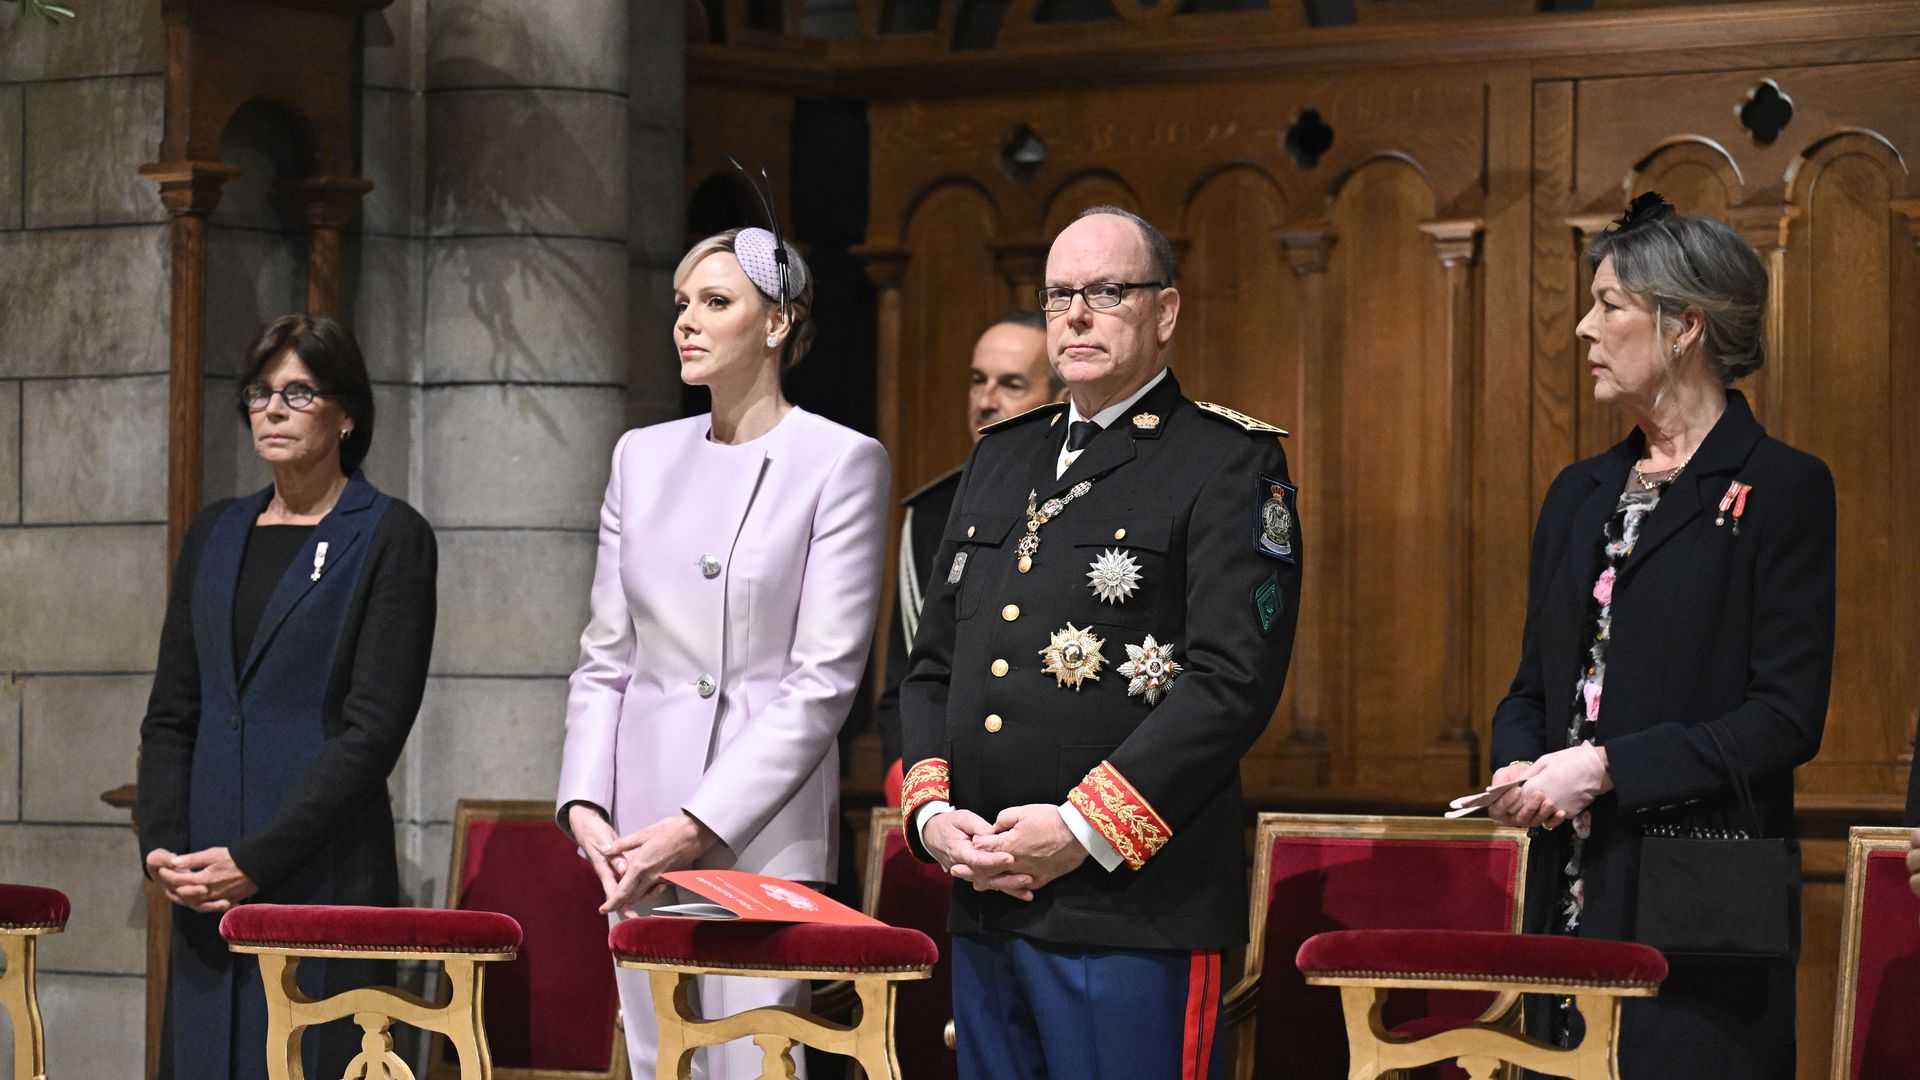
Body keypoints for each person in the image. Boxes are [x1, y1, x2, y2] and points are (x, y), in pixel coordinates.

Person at [898, 206, 1301, 1080]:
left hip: (1131, 909)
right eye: (1058, 295)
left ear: (1165, 312)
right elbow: (933, 668)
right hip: (986, 897)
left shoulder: (1226, 460)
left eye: (1106, 292)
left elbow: (1232, 681)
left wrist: (1082, 829)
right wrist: (933, 819)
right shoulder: (1000, 458)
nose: (1076, 314)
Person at [1487, 193, 1834, 1078]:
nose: (1581, 328)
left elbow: (1786, 718)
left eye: (1609, 306)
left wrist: (1605, 768)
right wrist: (1519, 762)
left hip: (1697, 901)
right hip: (1562, 889)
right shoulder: (1578, 492)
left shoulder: (1783, 488)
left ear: (1685, 325)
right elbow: (1533, 687)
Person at [556, 224, 890, 1079]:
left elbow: (823, 681)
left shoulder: (839, 461)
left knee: (753, 1063)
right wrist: (587, 805)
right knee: (655, 1058)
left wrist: (698, 824)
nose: (686, 324)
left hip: (758, 828)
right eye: (681, 305)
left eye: (715, 303)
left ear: (777, 323)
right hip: (634, 834)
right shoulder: (640, 456)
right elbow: (605, 656)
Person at [137, 315, 437, 1080]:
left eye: (298, 392)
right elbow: (174, 710)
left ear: (348, 412)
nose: (271, 409)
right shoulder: (215, 532)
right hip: (206, 880)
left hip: (320, 875)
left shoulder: (389, 536)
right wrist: (162, 844)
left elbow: (372, 734)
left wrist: (257, 860)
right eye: (260, 393)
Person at [875, 310, 1061, 797]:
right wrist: (920, 795)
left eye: (1011, 385)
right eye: (978, 381)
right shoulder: (935, 512)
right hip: (951, 788)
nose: (985, 401)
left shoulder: (1093, 502)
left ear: (1061, 399)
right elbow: (910, 676)